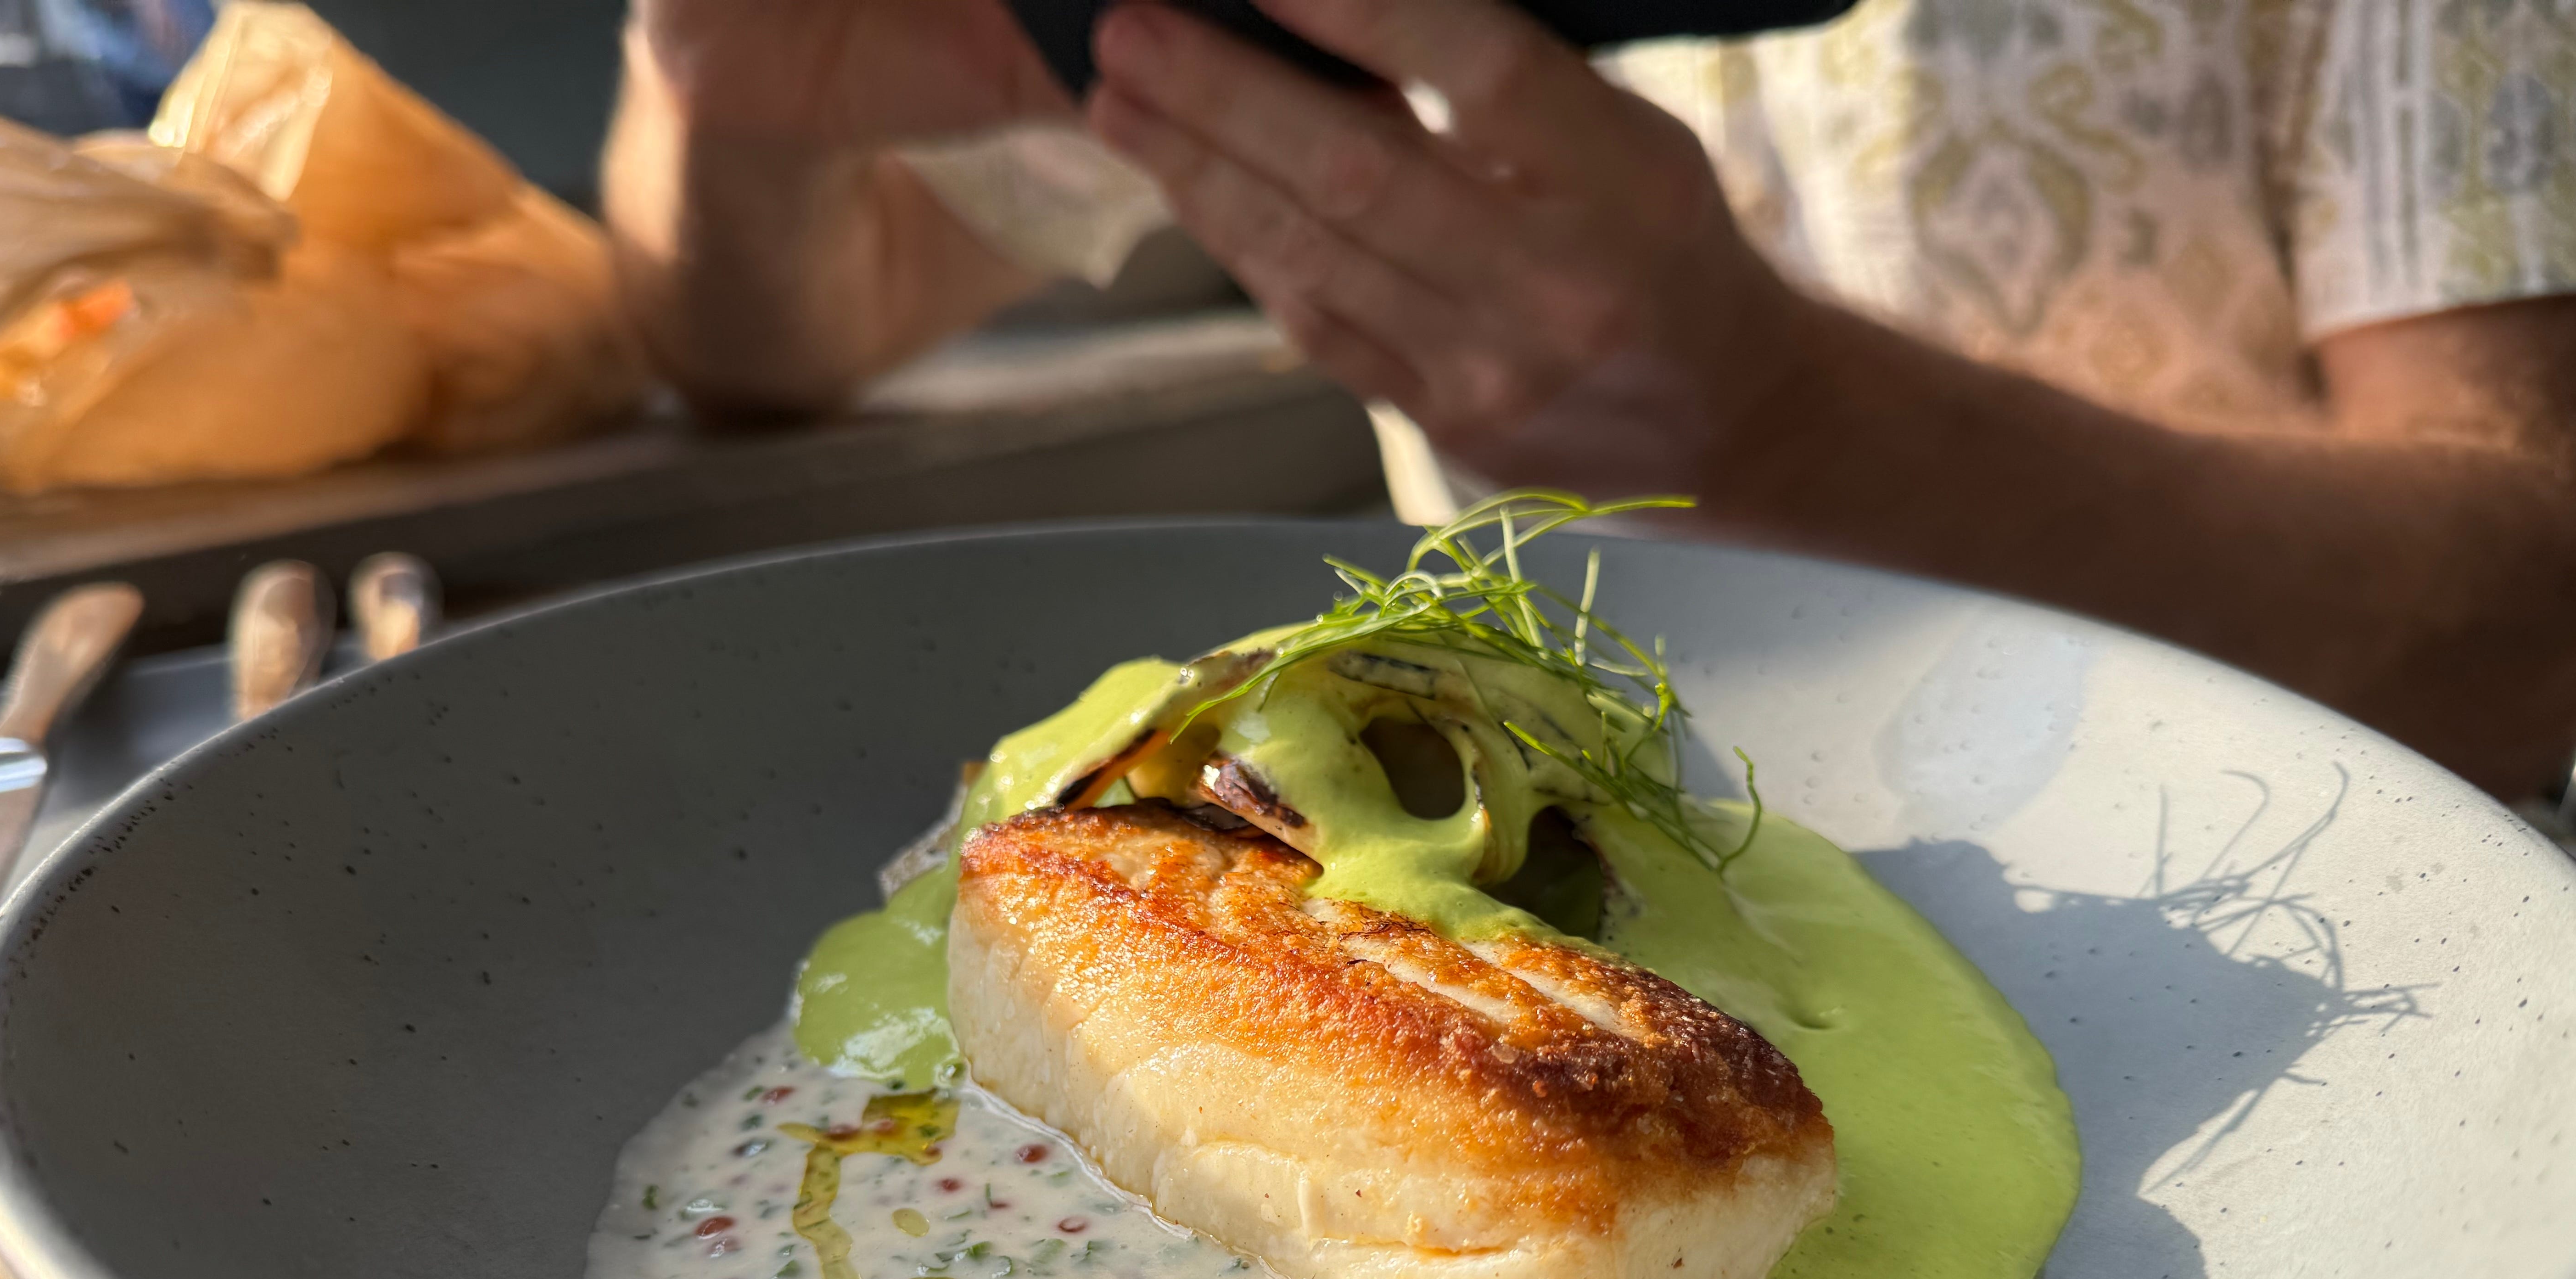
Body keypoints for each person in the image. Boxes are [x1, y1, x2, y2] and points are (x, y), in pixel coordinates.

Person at [603, 0, 2576, 802]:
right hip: (1539, 972)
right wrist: (736, 113)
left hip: (2293, 1038)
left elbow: (2529, 615)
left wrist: (1793, 430)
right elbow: (793, 328)